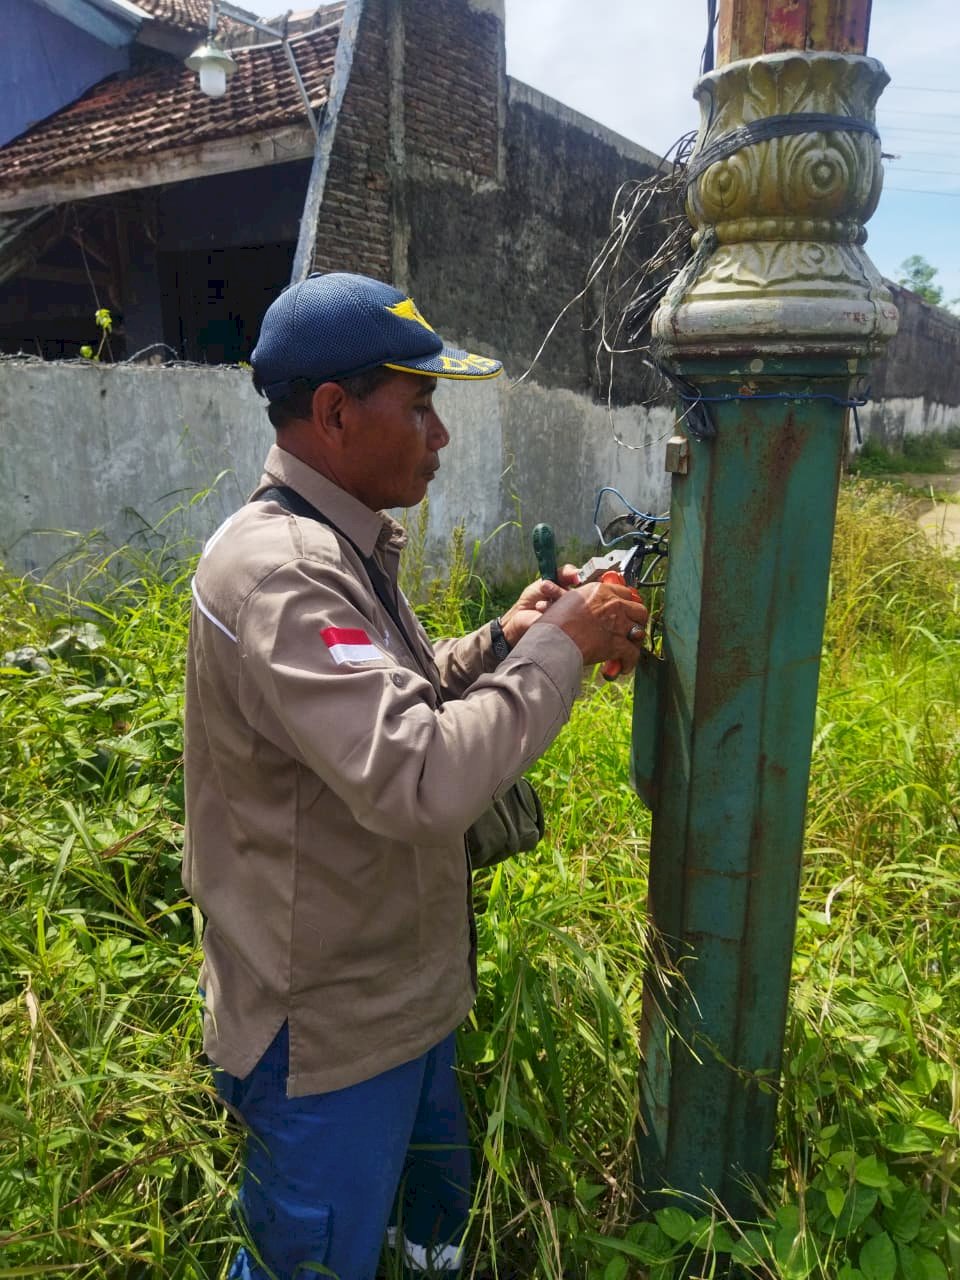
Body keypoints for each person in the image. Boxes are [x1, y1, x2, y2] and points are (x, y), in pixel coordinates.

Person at [182, 272, 648, 1280]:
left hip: (401, 991)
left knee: (430, 1230)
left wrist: (499, 641)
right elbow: (417, 774)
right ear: (335, 412)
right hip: (329, 1031)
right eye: (422, 403)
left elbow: (385, 704)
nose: (441, 434)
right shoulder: (284, 571)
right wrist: (560, 649)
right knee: (306, 1258)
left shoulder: (339, 546)